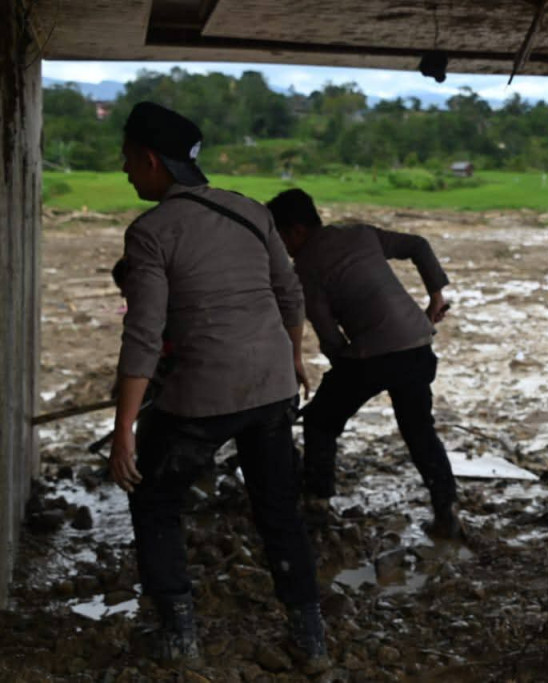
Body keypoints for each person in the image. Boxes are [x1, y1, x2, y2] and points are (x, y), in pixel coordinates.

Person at [108, 101, 327, 670]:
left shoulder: (151, 231)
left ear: (153, 161)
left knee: (154, 498)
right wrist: (295, 359)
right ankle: (310, 639)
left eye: (130, 160)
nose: (126, 171)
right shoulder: (251, 212)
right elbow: (290, 294)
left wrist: (123, 430)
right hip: (272, 385)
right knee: (279, 508)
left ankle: (179, 635)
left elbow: (143, 335)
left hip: (202, 395)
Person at [265, 188, 461, 539]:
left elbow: (329, 335)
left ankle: (318, 506)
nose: (279, 247)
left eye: (278, 236)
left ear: (294, 231)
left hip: (373, 355)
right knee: (419, 430)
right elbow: (417, 245)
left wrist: (342, 369)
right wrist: (436, 296)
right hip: (418, 344)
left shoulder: (305, 267)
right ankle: (446, 508)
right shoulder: (359, 233)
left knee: (322, 423)